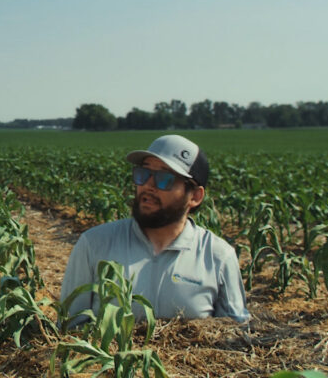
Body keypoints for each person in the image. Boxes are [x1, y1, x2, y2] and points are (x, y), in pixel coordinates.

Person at [59, 135, 249, 324]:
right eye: (143, 174)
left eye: (164, 179)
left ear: (195, 196)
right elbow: (69, 327)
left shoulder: (218, 257)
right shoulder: (94, 244)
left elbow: (235, 336)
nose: (148, 186)